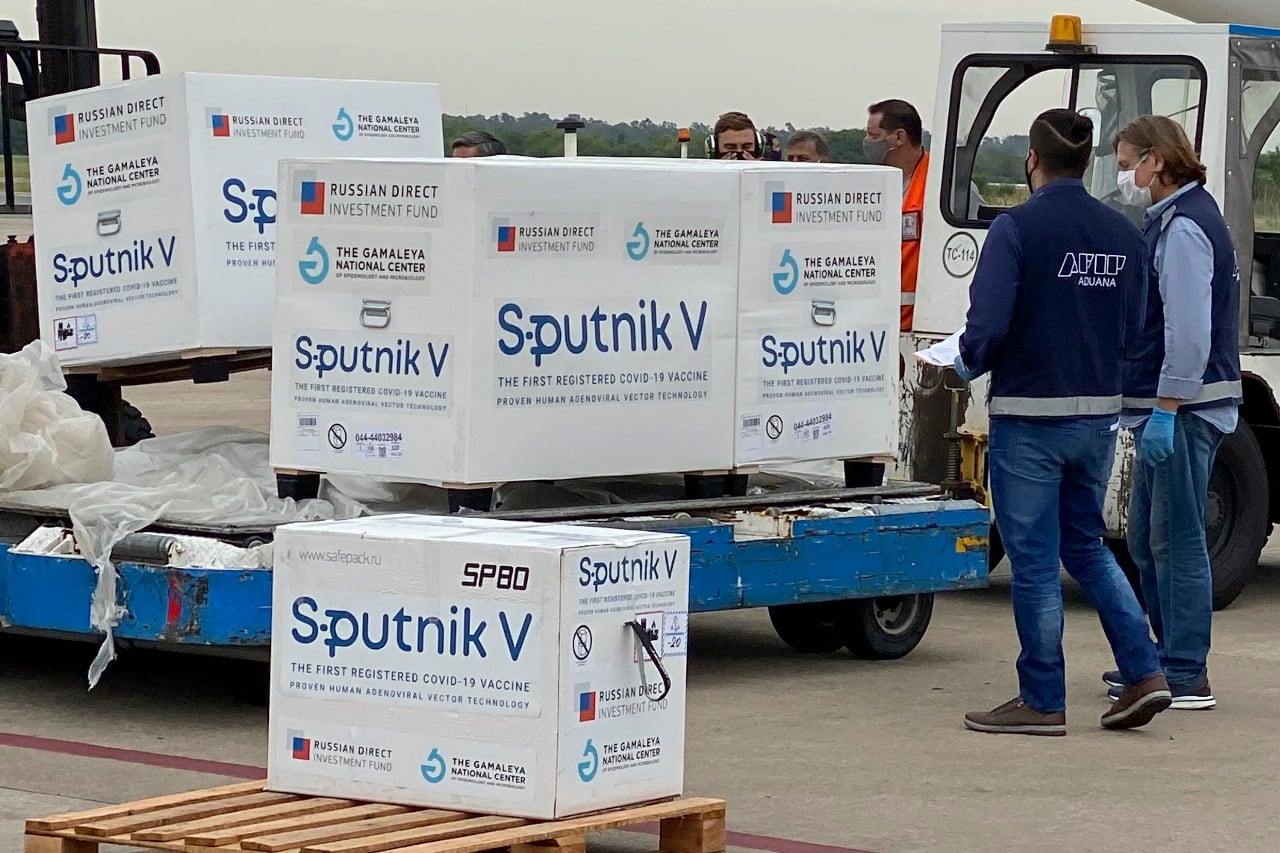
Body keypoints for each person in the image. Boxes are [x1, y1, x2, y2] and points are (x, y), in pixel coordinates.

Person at [955, 108, 1171, 736]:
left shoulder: (1015, 228)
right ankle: (1144, 670)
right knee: (1087, 547)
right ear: (1085, 162)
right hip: (1098, 416)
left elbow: (988, 325)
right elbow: (1139, 326)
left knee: (1033, 560)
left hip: (1030, 415)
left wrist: (962, 361)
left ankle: (1043, 698)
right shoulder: (1124, 233)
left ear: (1032, 160)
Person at [1106, 115, 1242, 711]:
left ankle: (1186, 670)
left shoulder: (1185, 228)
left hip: (1185, 406)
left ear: (1155, 161)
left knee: (1176, 540)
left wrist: (1166, 406)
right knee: (1146, 537)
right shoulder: (1175, 219)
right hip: (1172, 405)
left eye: (1127, 163)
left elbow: (1188, 332)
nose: (1124, 176)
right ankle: (1162, 660)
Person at [864, 99, 986, 331]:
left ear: (899, 137)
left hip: (925, 324)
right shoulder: (868, 184)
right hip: (875, 324)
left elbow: (978, 243)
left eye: (873, 135)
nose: (867, 142)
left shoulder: (946, 185)